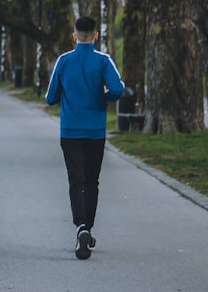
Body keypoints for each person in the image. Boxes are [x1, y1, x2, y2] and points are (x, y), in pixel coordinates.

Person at [45, 16, 124, 260]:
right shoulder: (103, 61)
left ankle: (80, 226)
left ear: (74, 35)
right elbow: (118, 89)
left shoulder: (64, 61)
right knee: (92, 181)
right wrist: (103, 97)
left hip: (70, 131)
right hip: (95, 131)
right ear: (96, 35)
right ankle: (88, 228)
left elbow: (50, 97)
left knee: (75, 181)